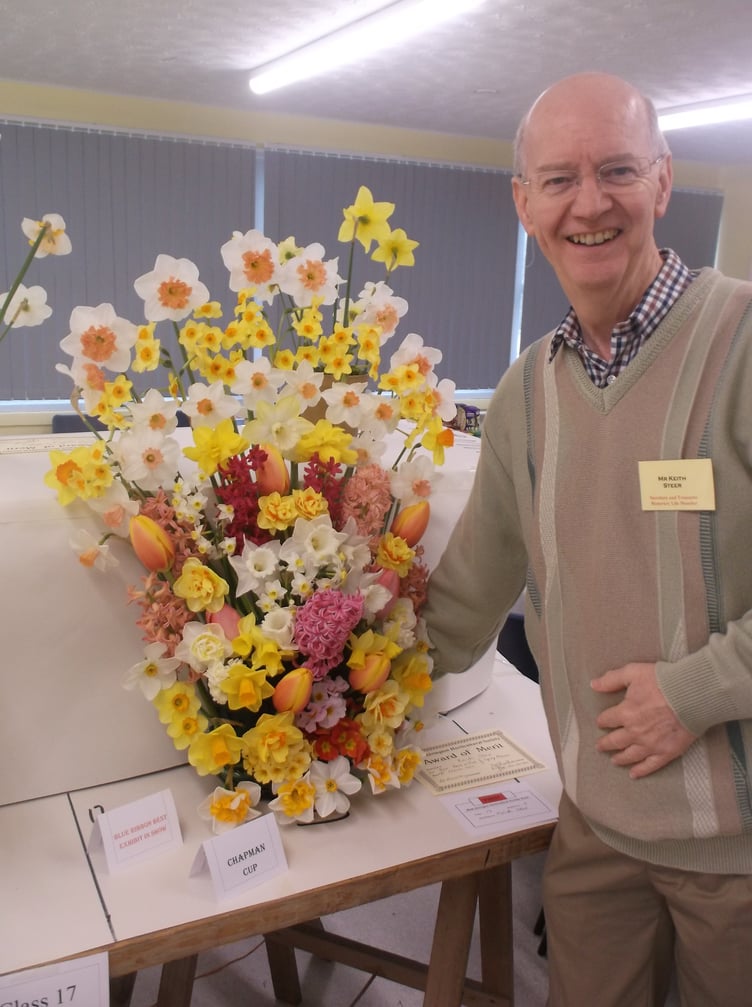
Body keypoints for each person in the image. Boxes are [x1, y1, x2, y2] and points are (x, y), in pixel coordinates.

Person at [423, 71, 752, 1007]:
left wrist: (692, 690)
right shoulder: (527, 391)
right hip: (595, 835)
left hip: (740, 855)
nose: (590, 203)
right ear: (524, 203)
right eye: (559, 179)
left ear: (662, 182)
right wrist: (319, 679)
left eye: (616, 170)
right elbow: (467, 595)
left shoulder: (743, 340)